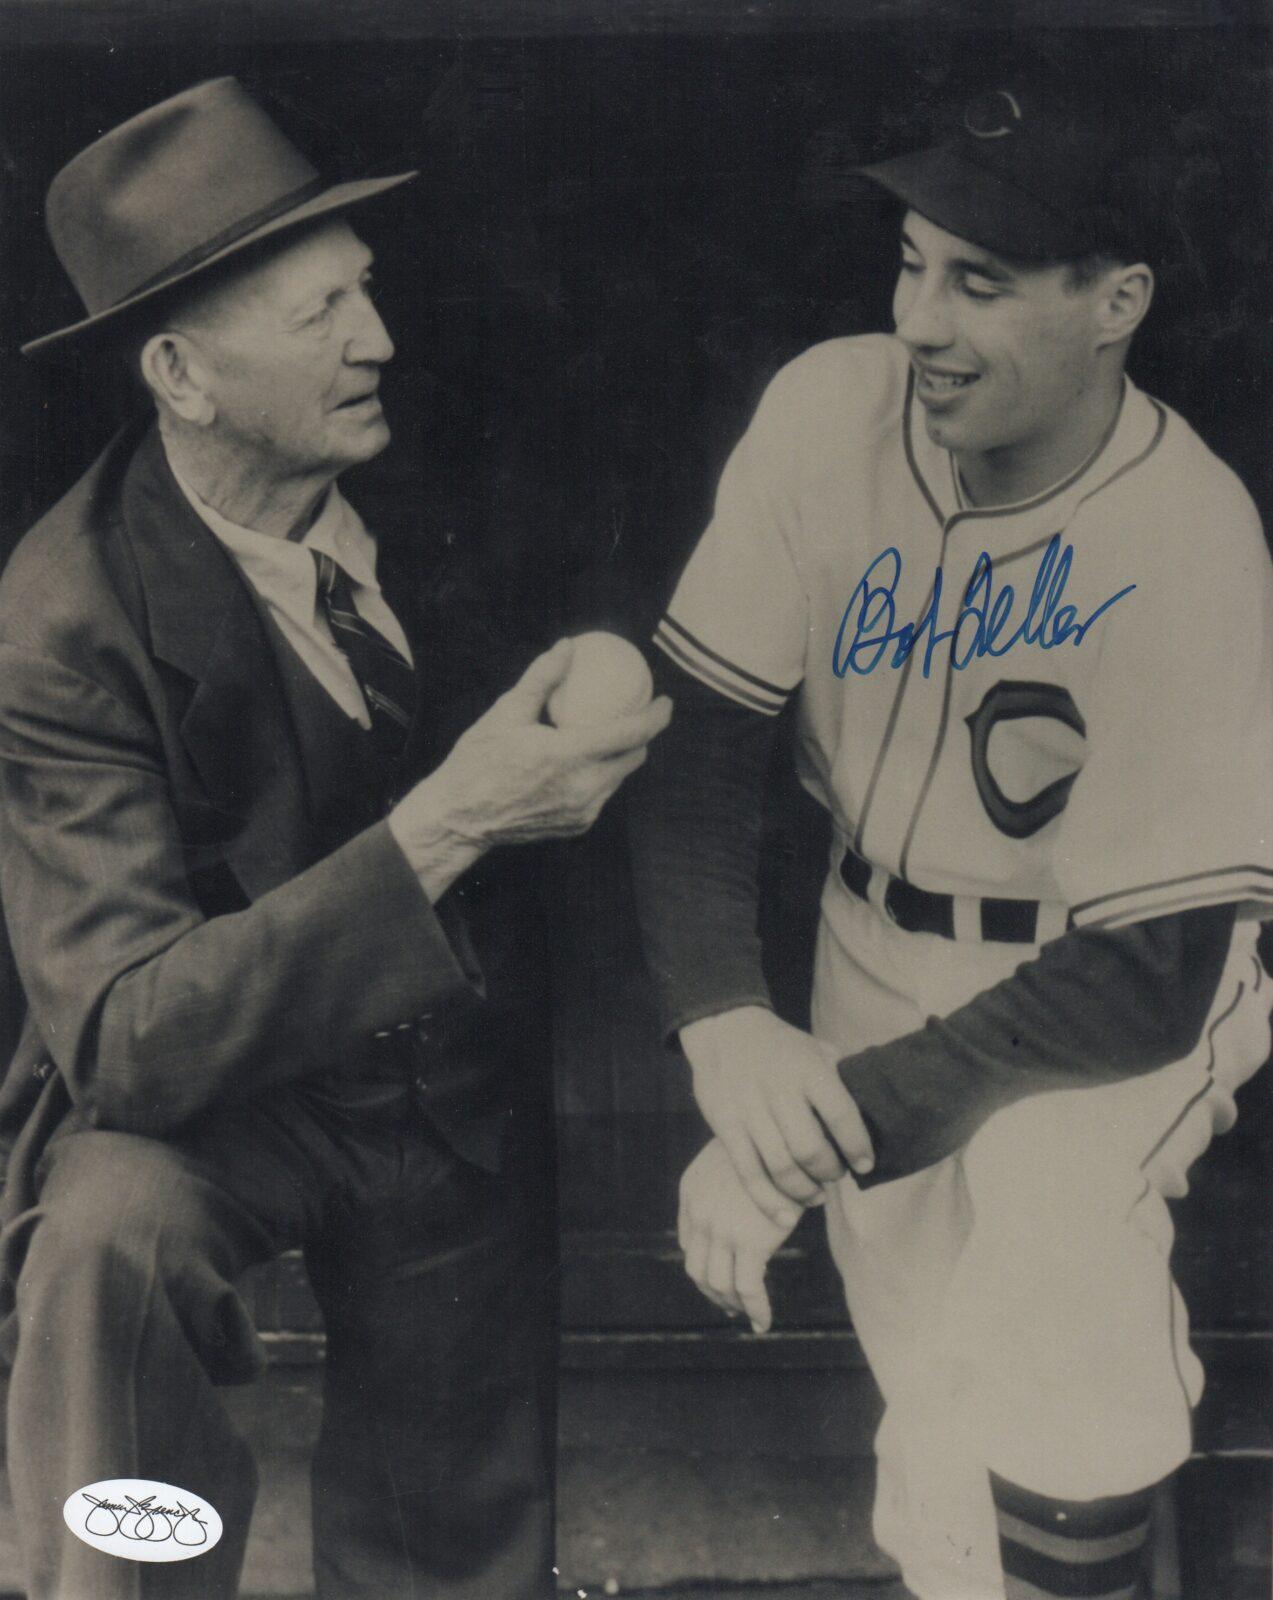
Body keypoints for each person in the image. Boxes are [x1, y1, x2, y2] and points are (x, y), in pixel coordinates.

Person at [0, 78, 669, 1600]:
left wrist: (603, 660)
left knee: (450, 1549)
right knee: (108, 1246)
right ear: (181, 373)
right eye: (322, 315)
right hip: (224, 1098)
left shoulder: (416, 468)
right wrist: (447, 825)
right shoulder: (61, 623)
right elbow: (127, 1040)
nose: (378, 341)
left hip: (443, 1071)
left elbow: (600, 599)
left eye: (365, 291)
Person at [628, 85, 1273, 1600]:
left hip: (1118, 978)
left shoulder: (1187, 538)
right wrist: (727, 1027)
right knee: (933, 1394)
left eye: (979, 282)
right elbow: (698, 742)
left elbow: (1150, 977)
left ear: (1116, 303)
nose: (919, 321)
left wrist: (816, 1133)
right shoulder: (829, 412)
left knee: (1053, 1238)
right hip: (870, 939)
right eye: (911, 265)